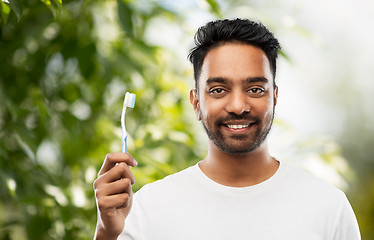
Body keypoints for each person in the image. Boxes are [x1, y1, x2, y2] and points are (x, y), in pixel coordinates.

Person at [93, 18, 361, 240]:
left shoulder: (328, 208)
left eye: (255, 89)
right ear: (196, 102)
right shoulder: (145, 210)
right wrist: (106, 233)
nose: (237, 105)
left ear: (275, 97)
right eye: (219, 90)